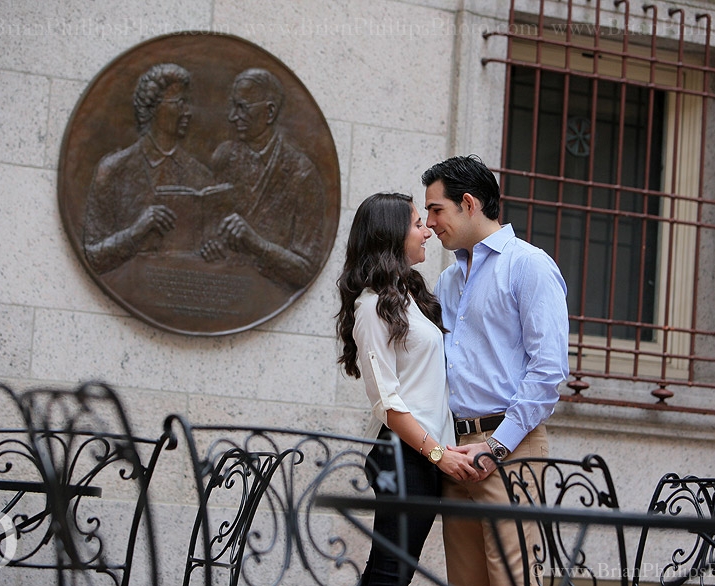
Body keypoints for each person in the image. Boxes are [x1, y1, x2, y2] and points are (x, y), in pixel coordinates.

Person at [421, 155, 570, 586]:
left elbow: (547, 370)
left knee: (514, 580)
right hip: (454, 453)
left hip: (511, 448)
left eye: (436, 209)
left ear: (468, 203)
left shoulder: (529, 265)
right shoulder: (449, 282)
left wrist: (497, 448)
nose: (430, 222)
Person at [336, 192, 476, 586]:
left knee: (393, 572)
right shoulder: (370, 307)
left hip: (422, 457)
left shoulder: (407, 296)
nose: (427, 230)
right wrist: (438, 455)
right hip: (406, 456)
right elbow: (387, 401)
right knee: (389, 573)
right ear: (391, 235)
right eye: (417, 224)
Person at [83, 63, 215, 274]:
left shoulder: (201, 176)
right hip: (127, 288)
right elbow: (91, 256)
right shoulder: (113, 170)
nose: (188, 112)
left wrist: (213, 251)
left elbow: (213, 254)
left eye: (187, 103)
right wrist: (136, 231)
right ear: (153, 107)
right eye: (180, 103)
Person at [201, 67, 326, 290]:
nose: (232, 116)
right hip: (219, 289)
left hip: (269, 294)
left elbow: (306, 269)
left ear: (269, 112)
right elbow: (207, 229)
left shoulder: (302, 173)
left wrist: (256, 244)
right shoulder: (224, 157)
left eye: (242, 108)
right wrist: (209, 244)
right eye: (233, 106)